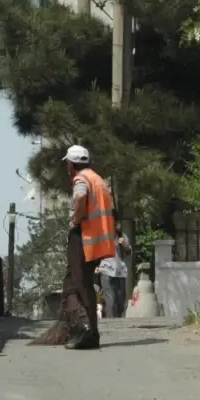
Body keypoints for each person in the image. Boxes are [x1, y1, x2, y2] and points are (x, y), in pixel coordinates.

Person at [61, 145, 117, 349]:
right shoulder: (98, 179)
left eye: (67, 163)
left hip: (83, 237)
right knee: (85, 285)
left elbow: (80, 197)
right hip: (95, 240)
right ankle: (91, 333)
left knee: (75, 286)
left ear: (71, 164)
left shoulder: (81, 179)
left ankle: (85, 330)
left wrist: (75, 220)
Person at [99, 232, 132, 318]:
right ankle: (111, 322)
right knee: (111, 300)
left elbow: (129, 251)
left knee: (121, 302)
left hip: (120, 272)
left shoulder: (123, 236)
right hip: (106, 270)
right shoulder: (103, 234)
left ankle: (118, 321)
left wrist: (124, 244)